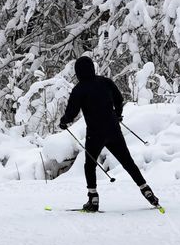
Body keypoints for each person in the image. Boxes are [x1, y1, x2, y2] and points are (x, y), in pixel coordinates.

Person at [59, 56, 161, 212]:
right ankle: (146, 190)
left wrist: (64, 121)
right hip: (113, 129)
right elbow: (118, 99)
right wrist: (118, 114)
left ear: (78, 72)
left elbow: (72, 112)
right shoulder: (105, 82)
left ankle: (93, 199)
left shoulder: (80, 89)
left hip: (95, 133)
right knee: (127, 162)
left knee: (90, 165)